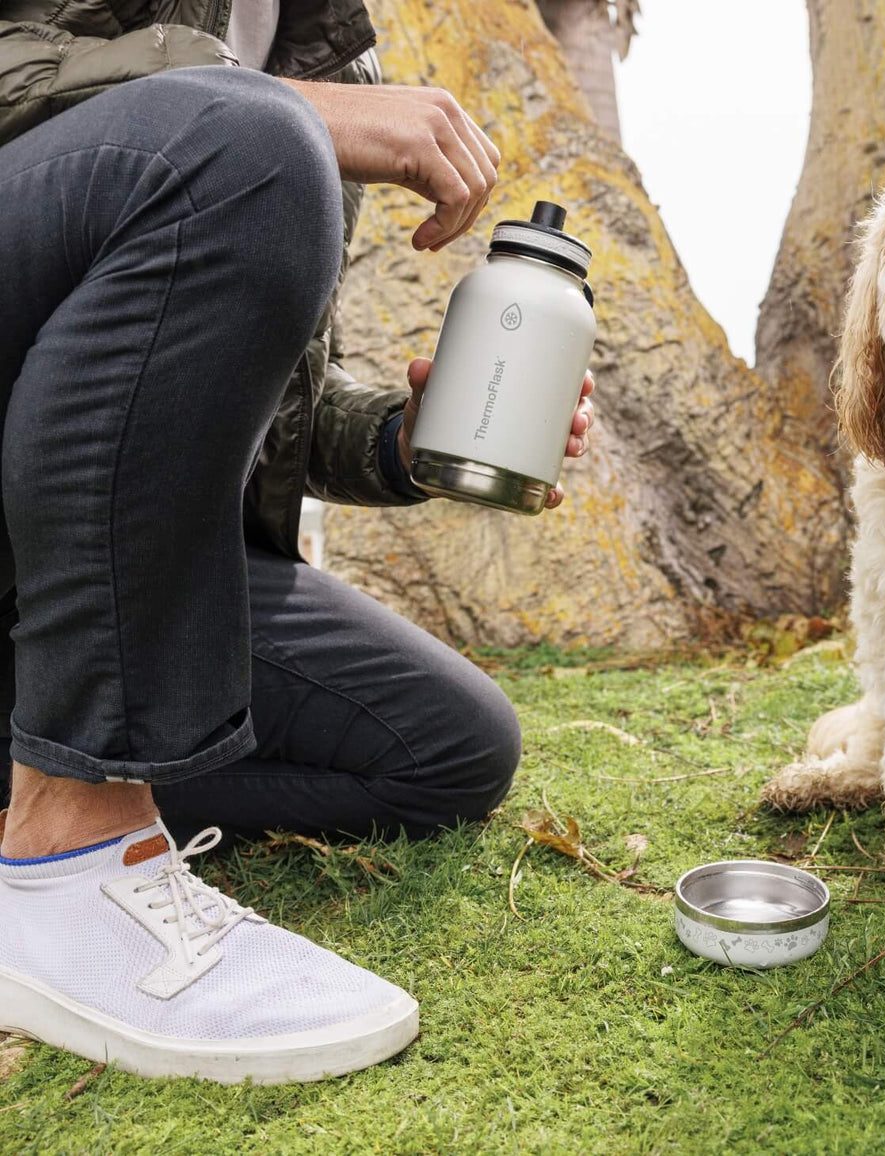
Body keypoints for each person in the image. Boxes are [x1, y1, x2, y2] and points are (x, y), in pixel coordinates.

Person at [0, 0, 595, 1082]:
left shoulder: (318, 35)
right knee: (244, 145)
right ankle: (68, 853)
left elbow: (190, 383)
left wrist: (405, 444)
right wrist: (282, 116)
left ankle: (32, 770)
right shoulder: (283, 105)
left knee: (450, 749)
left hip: (103, 556)